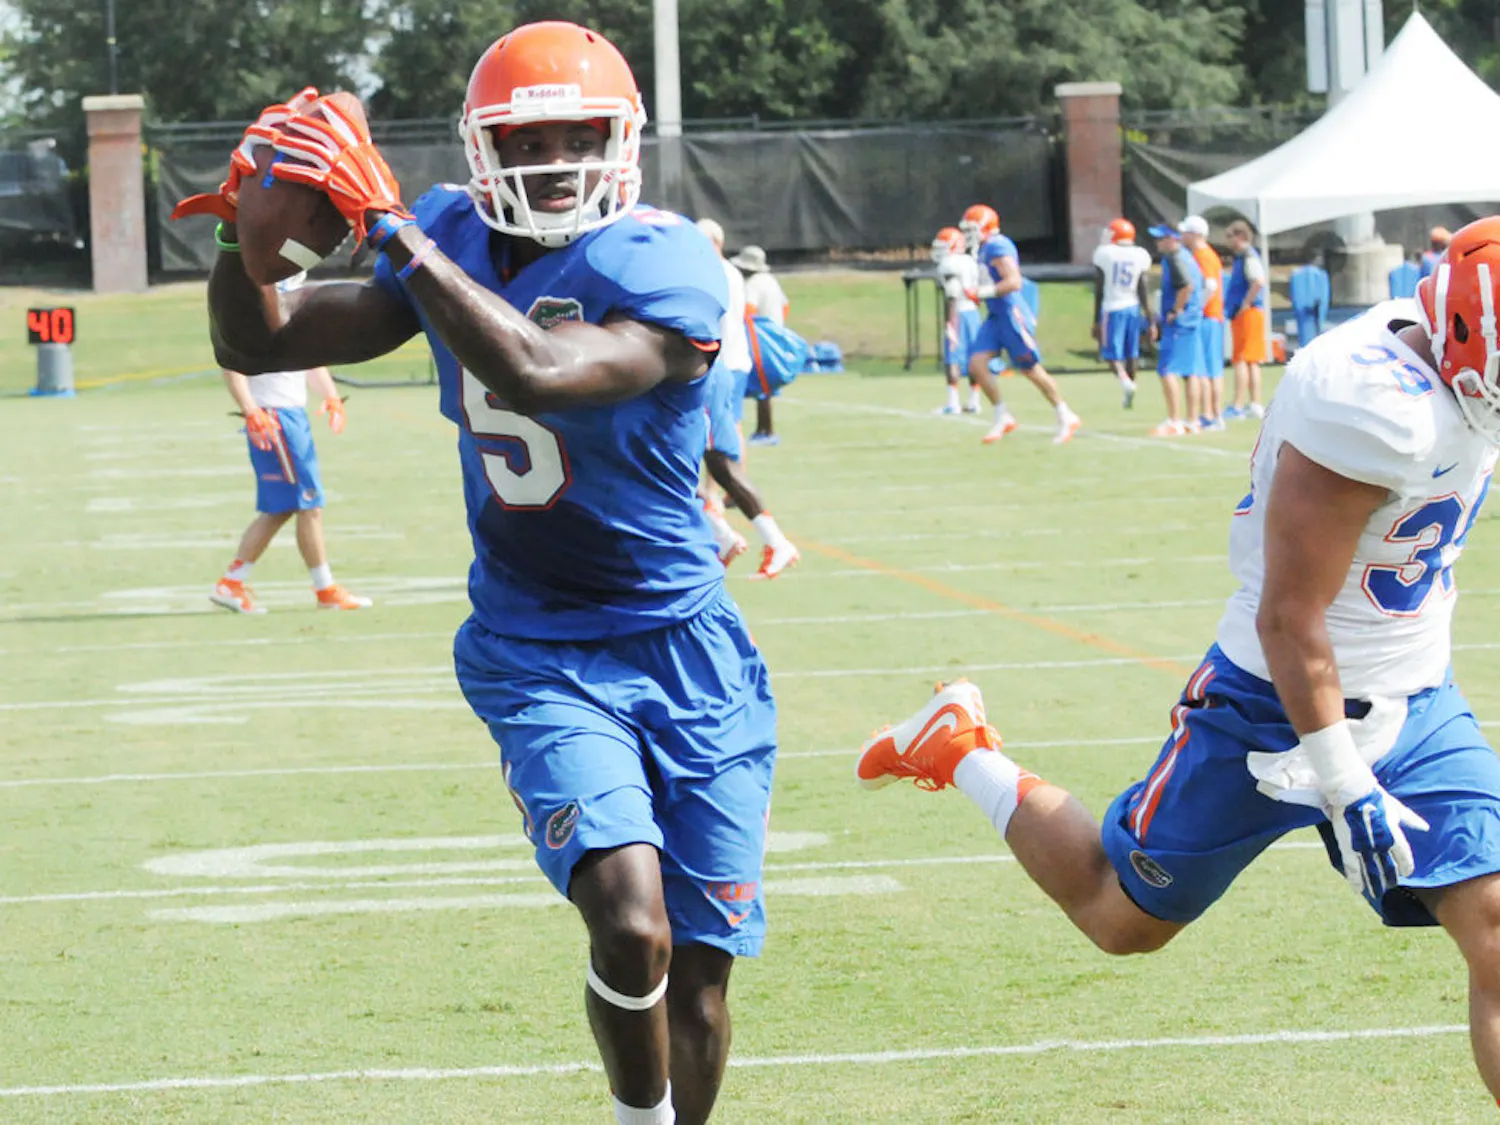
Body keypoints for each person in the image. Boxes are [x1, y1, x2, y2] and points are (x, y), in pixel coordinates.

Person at [175, 22, 778, 1125]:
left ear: (622, 140)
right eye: (526, 137)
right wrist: (242, 243)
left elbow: (540, 369)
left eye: (575, 134)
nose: (552, 160)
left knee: (698, 970)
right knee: (631, 920)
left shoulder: (668, 260)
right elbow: (265, 344)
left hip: (687, 644)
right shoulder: (453, 234)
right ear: (480, 145)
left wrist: (396, 231)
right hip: (537, 644)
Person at [855, 216, 1500, 1105]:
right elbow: (1290, 615)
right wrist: (1344, 784)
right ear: (1469, 336)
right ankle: (959, 746)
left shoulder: (1455, 352)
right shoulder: (1372, 406)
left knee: (1496, 930)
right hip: (1270, 696)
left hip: (1415, 693)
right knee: (1119, 916)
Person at [210, 274, 371, 615]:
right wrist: (251, 410)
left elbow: (307, 359)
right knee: (308, 505)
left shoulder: (286, 302)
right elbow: (231, 362)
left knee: (282, 508)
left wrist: (330, 396)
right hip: (276, 416)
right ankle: (324, 589)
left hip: (288, 415)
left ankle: (233, 582)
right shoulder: (252, 305)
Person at [960, 204, 1081, 445]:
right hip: (996, 314)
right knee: (976, 363)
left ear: (986, 227)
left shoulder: (998, 245)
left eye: (972, 229)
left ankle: (1065, 414)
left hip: (1010, 313)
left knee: (1030, 369)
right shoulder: (984, 249)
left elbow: (1013, 282)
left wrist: (981, 292)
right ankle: (1002, 415)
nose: (968, 235)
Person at [699, 355, 800, 580]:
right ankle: (719, 530)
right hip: (688, 370)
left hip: (703, 369)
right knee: (661, 463)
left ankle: (775, 542)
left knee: (720, 461)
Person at [1146, 224, 1205, 438]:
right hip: (1192, 321)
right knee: (1191, 373)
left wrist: (1175, 310)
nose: (1158, 243)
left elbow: (1186, 286)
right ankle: (1192, 421)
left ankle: (1174, 420)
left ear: (1172, 239)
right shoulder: (1189, 257)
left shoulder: (1175, 258)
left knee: (1167, 369)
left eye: (1162, 239)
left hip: (1180, 322)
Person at [729, 244, 789, 446]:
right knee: (766, 386)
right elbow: (785, 305)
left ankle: (766, 431)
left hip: (759, 338)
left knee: (763, 387)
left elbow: (749, 310)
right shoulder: (771, 281)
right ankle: (763, 429)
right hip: (775, 334)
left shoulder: (753, 284)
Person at [1091, 218, 1152, 409]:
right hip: (1133, 306)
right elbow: (1143, 286)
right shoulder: (1140, 254)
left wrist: (1096, 320)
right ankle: (1131, 388)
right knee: (1132, 352)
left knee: (1111, 354)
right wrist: (1149, 316)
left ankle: (1126, 384)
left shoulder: (1105, 253)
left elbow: (1100, 288)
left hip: (1113, 306)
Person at [932, 225, 985, 414]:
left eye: (943, 246)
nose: (939, 251)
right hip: (973, 313)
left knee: (952, 358)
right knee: (973, 358)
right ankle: (974, 401)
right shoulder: (970, 261)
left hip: (959, 313)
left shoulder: (950, 263)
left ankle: (953, 403)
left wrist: (950, 322)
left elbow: (953, 293)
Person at [1181, 215, 1226, 431]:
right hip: (1212, 315)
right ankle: (1211, 415)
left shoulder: (1202, 255)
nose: (1182, 236)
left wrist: (1196, 307)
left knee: (1207, 368)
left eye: (1186, 232)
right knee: (1209, 368)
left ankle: (1211, 414)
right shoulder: (1205, 254)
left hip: (1207, 316)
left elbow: (1210, 286)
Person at [1223, 218, 1269, 420]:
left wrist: (1245, 303)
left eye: (1231, 237)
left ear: (1241, 236)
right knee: (1251, 361)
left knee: (1241, 359)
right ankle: (1255, 403)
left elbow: (1258, 281)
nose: (1229, 242)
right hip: (1251, 313)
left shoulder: (1248, 256)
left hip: (1248, 314)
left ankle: (1239, 404)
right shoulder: (1244, 257)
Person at [1289, 253, 1331, 354]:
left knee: (1306, 337)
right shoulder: (1320, 275)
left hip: (1305, 312)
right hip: (1311, 312)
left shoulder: (1297, 274)